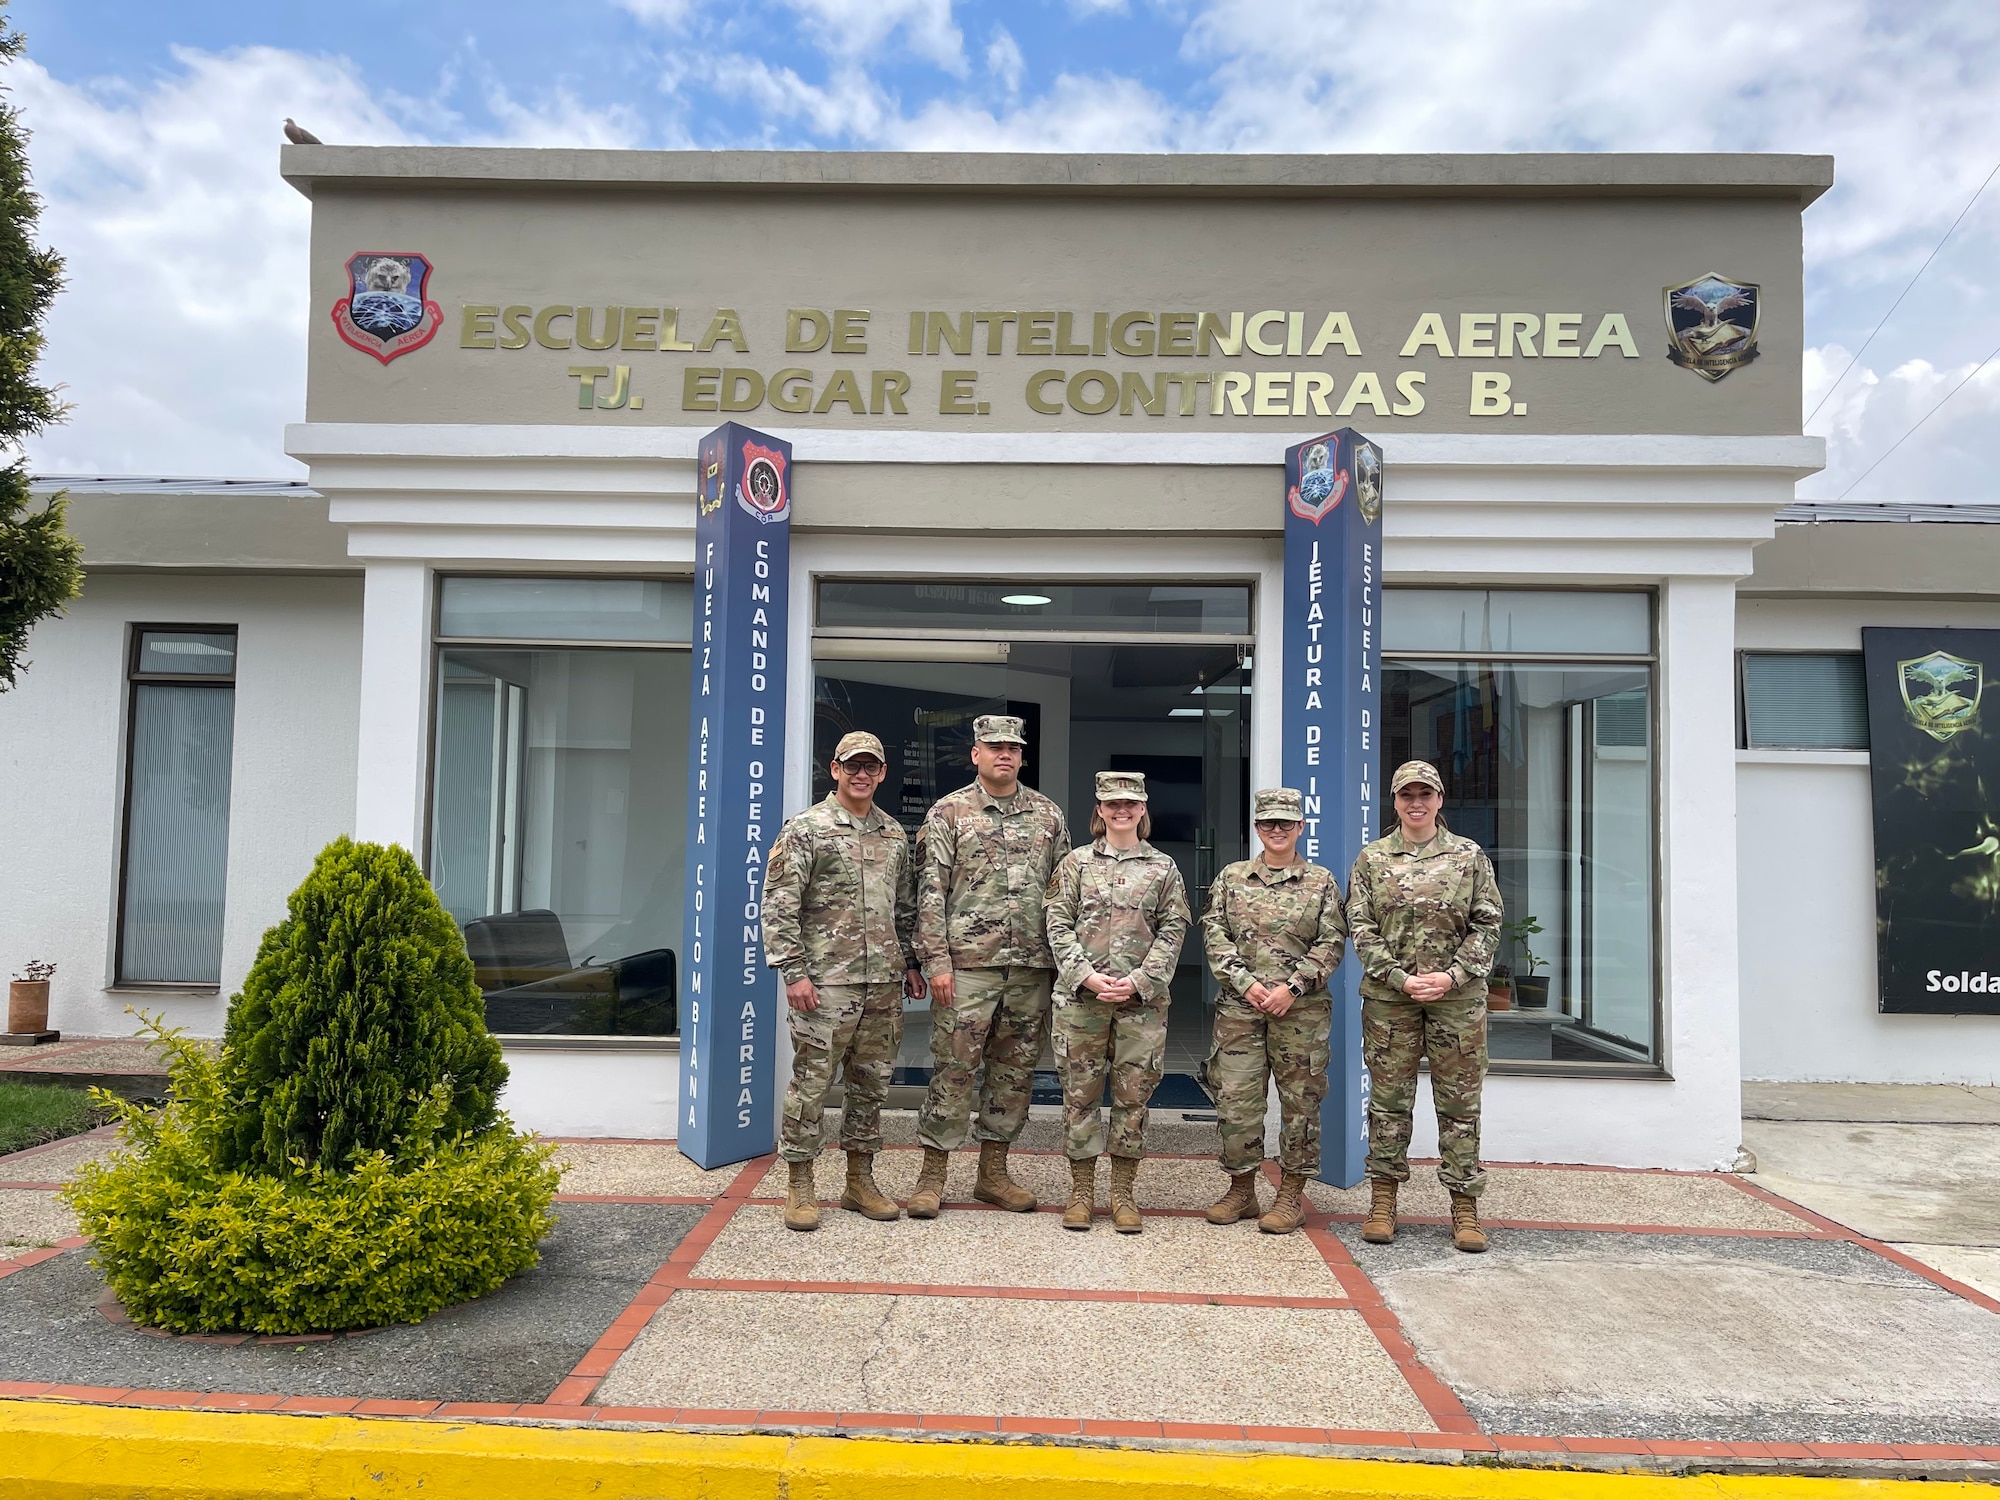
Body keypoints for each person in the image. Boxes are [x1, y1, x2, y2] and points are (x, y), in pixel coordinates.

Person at [762, 731, 925, 1232]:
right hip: (825, 983)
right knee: (812, 1084)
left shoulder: (894, 833)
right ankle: (801, 1185)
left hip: (882, 985)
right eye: (852, 765)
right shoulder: (806, 830)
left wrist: (912, 962)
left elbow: (904, 907)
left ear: (882, 774)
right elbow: (778, 904)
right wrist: (793, 972)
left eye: (871, 767)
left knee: (871, 1085)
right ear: (833, 769)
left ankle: (859, 1181)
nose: (861, 774)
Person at [909, 714, 1071, 1218]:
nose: (1005, 753)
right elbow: (929, 893)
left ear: (1023, 756)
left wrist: (1066, 965)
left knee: (1015, 1072)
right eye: (994, 745)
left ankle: (992, 1173)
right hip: (967, 968)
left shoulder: (1047, 815)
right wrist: (935, 962)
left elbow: (1065, 894)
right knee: (954, 1069)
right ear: (975, 753)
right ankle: (932, 1175)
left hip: (1031, 967)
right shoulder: (948, 813)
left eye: (1013, 747)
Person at [1346, 760, 1503, 1253]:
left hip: (1457, 1002)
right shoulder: (1372, 859)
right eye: (1406, 795)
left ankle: (1464, 1207)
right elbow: (1361, 926)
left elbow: (1488, 923)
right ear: (1394, 802)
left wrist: (1452, 975)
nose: (1416, 803)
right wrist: (1399, 977)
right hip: (1391, 1001)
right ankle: (1384, 1202)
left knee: (1459, 1106)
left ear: (1439, 800)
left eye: (1425, 794)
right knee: (1389, 1104)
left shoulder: (1468, 856)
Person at [1043, 770, 1190, 1233]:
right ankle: (1082, 1193)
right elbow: (1056, 924)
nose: (1122, 811)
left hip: (1140, 1005)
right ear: (1100, 810)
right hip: (1081, 1001)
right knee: (1079, 1097)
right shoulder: (1075, 864)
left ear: (1143, 809)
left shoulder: (1163, 868)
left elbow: (1174, 929)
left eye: (1131, 803)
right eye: (1112, 804)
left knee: (1133, 1098)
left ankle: (1123, 1194)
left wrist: (1141, 980)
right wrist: (1085, 976)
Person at [1199, 787, 1348, 1234]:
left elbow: (1332, 942)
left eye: (1286, 823)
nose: (1277, 830)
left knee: (1301, 1104)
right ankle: (1242, 1189)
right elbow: (1213, 934)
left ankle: (1290, 1195)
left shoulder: (1321, 882)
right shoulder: (1232, 877)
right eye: (1268, 823)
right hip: (1240, 1011)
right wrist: (1246, 984)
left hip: (1300, 1013)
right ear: (1257, 829)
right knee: (1236, 1101)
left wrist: (1293, 987)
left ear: (1301, 827)